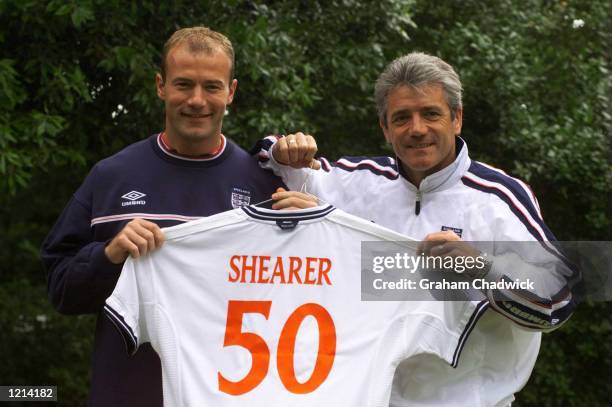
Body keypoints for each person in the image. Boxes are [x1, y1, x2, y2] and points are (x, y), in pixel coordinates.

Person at [255, 52, 577, 406]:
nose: (417, 128)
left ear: (457, 119)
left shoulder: (498, 199)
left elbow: (556, 304)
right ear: (385, 128)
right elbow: (267, 162)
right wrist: (285, 149)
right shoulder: (359, 180)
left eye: (431, 113)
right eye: (402, 117)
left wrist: (481, 268)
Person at [41, 26, 315, 407]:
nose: (197, 100)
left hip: (235, 396)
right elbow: (61, 290)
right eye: (184, 84)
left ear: (231, 92)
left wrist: (311, 231)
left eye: (212, 87)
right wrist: (109, 255)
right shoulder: (111, 177)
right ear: (161, 86)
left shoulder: (265, 185)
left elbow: (301, 294)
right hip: (132, 394)